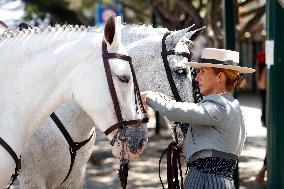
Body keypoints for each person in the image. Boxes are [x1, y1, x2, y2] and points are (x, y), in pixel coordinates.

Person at [142, 48, 255, 188]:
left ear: (220, 77)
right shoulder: (231, 105)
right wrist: (191, 149)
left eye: (202, 71)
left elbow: (174, 110)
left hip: (206, 181)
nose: (197, 77)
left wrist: (149, 97)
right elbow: (219, 147)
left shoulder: (220, 105)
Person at [255, 50, 267, 183]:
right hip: (269, 113)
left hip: (266, 112)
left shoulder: (260, 71)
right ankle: (261, 173)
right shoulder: (266, 72)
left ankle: (262, 173)